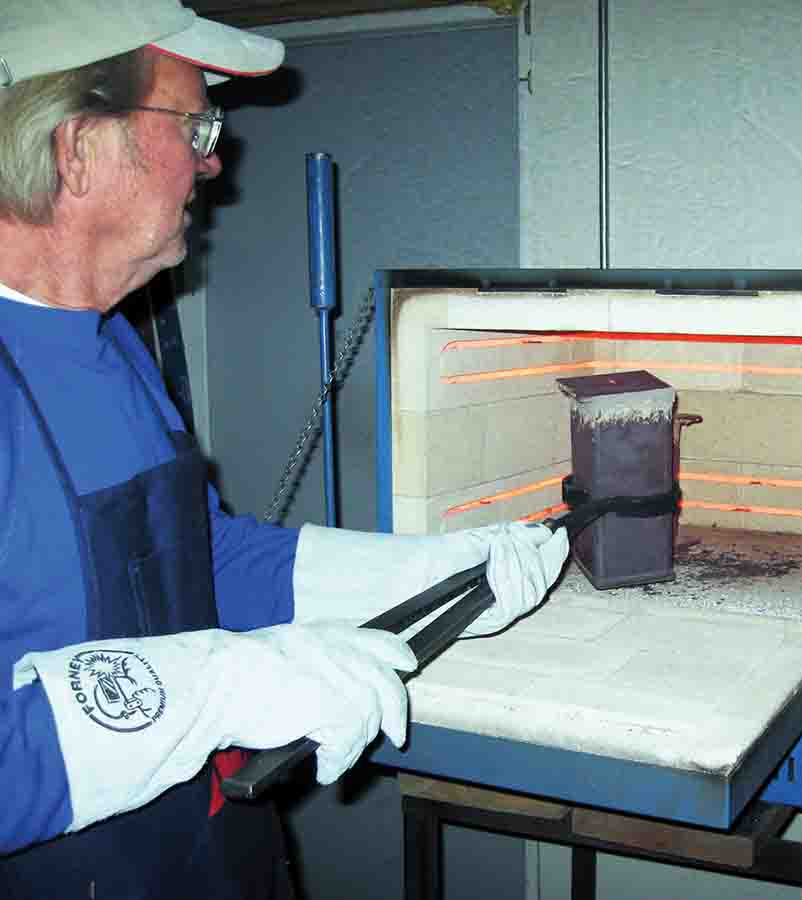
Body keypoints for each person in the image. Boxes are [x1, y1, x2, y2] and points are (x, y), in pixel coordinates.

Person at [0, 2, 569, 897]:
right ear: (78, 149)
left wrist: (434, 572)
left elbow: (203, 557)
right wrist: (219, 688)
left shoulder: (114, 347)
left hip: (212, 846)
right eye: (193, 125)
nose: (212, 158)